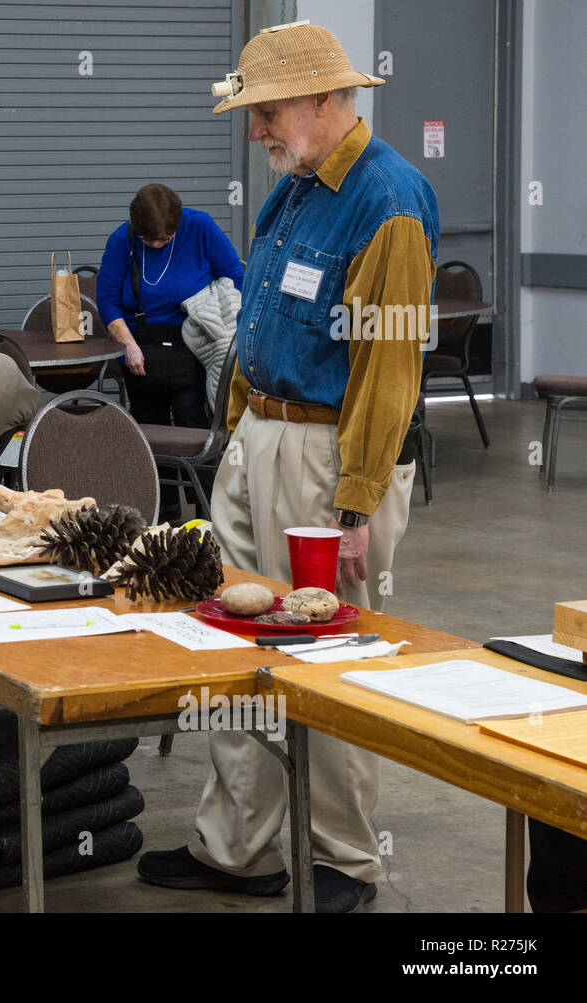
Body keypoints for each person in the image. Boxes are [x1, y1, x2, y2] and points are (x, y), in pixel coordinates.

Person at [136, 21, 437, 913]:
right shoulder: (294, 191)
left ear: (319, 100)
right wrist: (232, 440)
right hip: (260, 439)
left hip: (332, 454)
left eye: (266, 112)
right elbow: (254, 325)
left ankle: (344, 859)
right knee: (237, 653)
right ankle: (240, 847)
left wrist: (357, 506)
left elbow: (390, 371)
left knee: (332, 657)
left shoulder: (389, 200)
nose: (257, 130)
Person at [97, 184, 242, 522]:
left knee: (194, 422)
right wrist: (128, 344)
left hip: (194, 340)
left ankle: (208, 514)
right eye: (151, 240)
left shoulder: (200, 226)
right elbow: (107, 301)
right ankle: (164, 515)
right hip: (141, 345)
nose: (158, 244)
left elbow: (235, 278)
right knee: (149, 428)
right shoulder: (123, 240)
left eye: (164, 238)